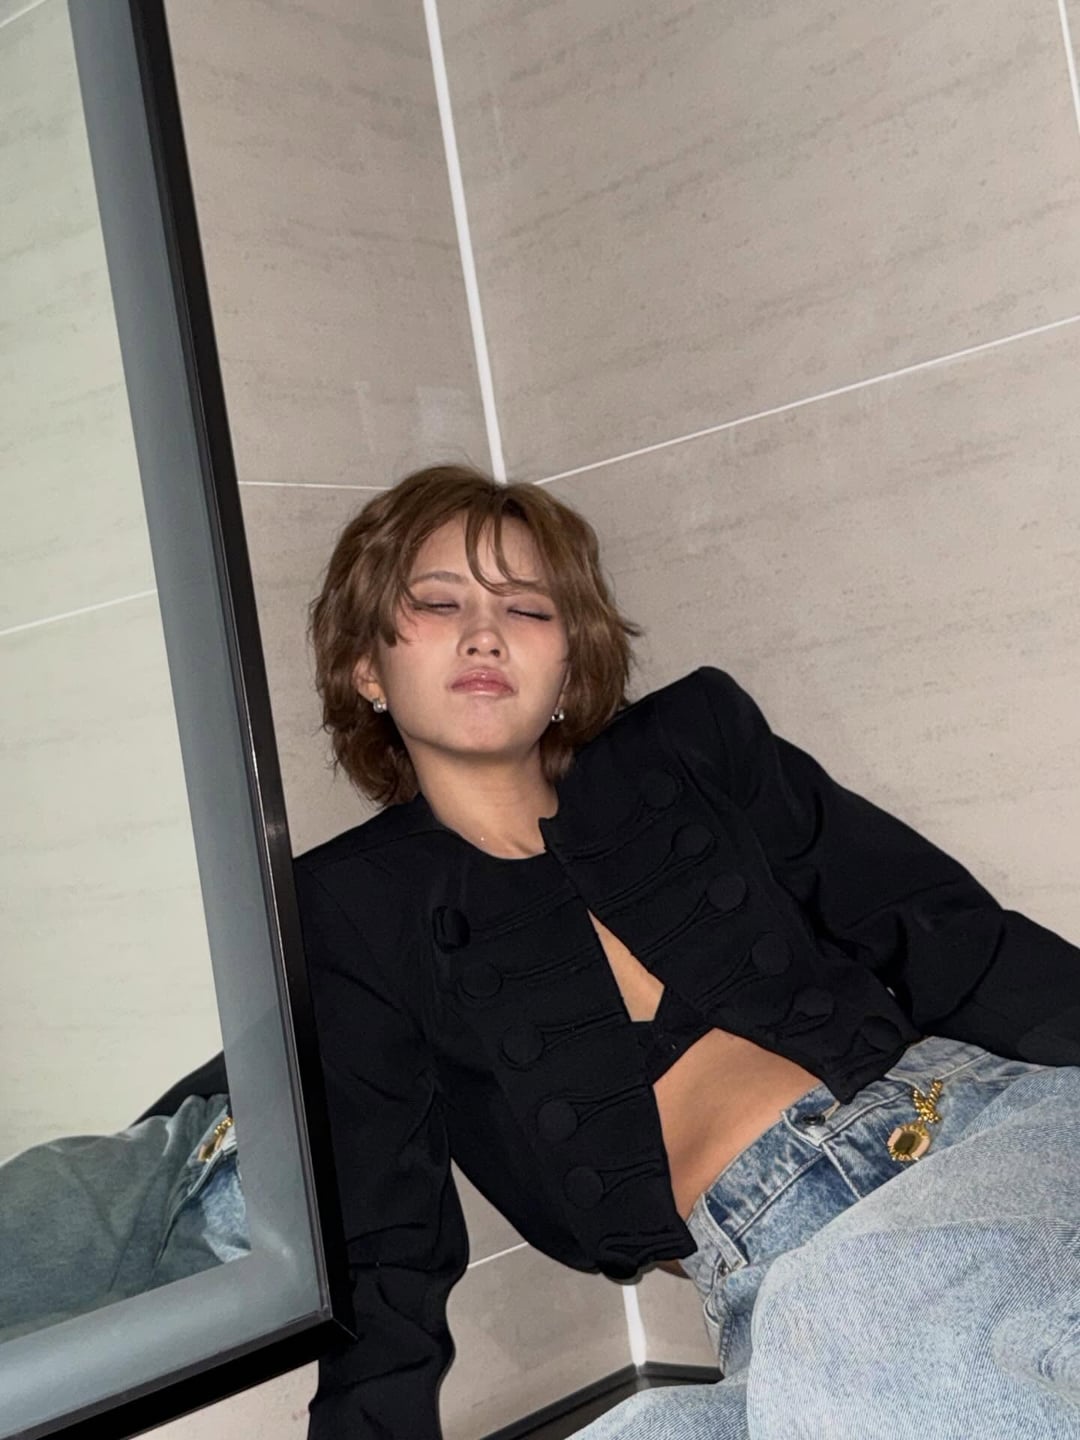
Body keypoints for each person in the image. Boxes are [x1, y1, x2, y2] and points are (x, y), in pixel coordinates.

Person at [296, 462, 1080, 1440]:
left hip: (973, 1132)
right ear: (367, 667)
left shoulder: (692, 740)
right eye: (439, 602)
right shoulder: (349, 908)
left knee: (870, 1332)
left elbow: (948, 940)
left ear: (570, 664)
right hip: (776, 1278)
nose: (485, 632)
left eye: (527, 607)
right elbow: (386, 1240)